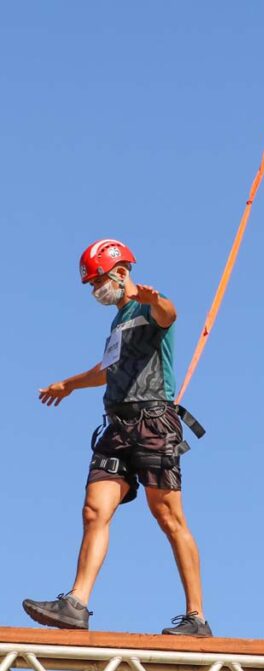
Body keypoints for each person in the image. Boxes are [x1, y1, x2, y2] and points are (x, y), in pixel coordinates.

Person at [23, 239, 212, 637]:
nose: (95, 291)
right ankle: (76, 603)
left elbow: (170, 314)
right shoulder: (118, 319)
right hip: (117, 426)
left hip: (153, 423)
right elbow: (107, 369)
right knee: (94, 510)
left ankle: (197, 618)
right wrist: (69, 385)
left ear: (120, 273)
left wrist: (155, 299)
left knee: (168, 516)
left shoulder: (147, 306)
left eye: (98, 282)